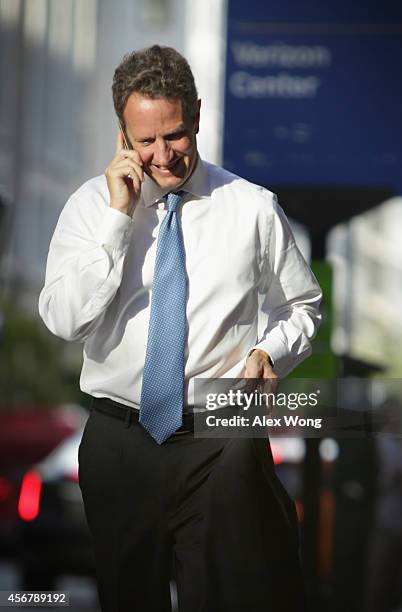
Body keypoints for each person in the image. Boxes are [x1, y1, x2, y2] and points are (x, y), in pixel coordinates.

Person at [39, 45, 322, 612]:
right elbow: (64, 320)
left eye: (174, 135)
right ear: (122, 133)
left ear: (196, 115)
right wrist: (119, 221)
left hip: (218, 444)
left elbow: (304, 306)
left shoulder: (251, 208)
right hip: (119, 442)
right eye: (144, 141)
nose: (162, 156)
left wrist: (273, 349)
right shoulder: (90, 207)